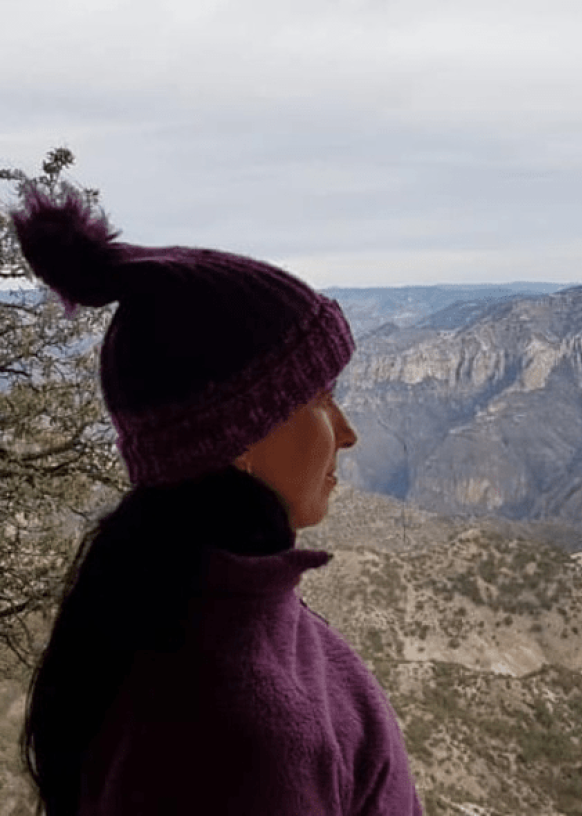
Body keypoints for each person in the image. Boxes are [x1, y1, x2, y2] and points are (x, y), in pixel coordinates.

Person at [10, 183, 423, 815]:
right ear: (241, 436)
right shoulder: (242, 737)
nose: (346, 430)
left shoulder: (185, 606)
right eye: (318, 399)